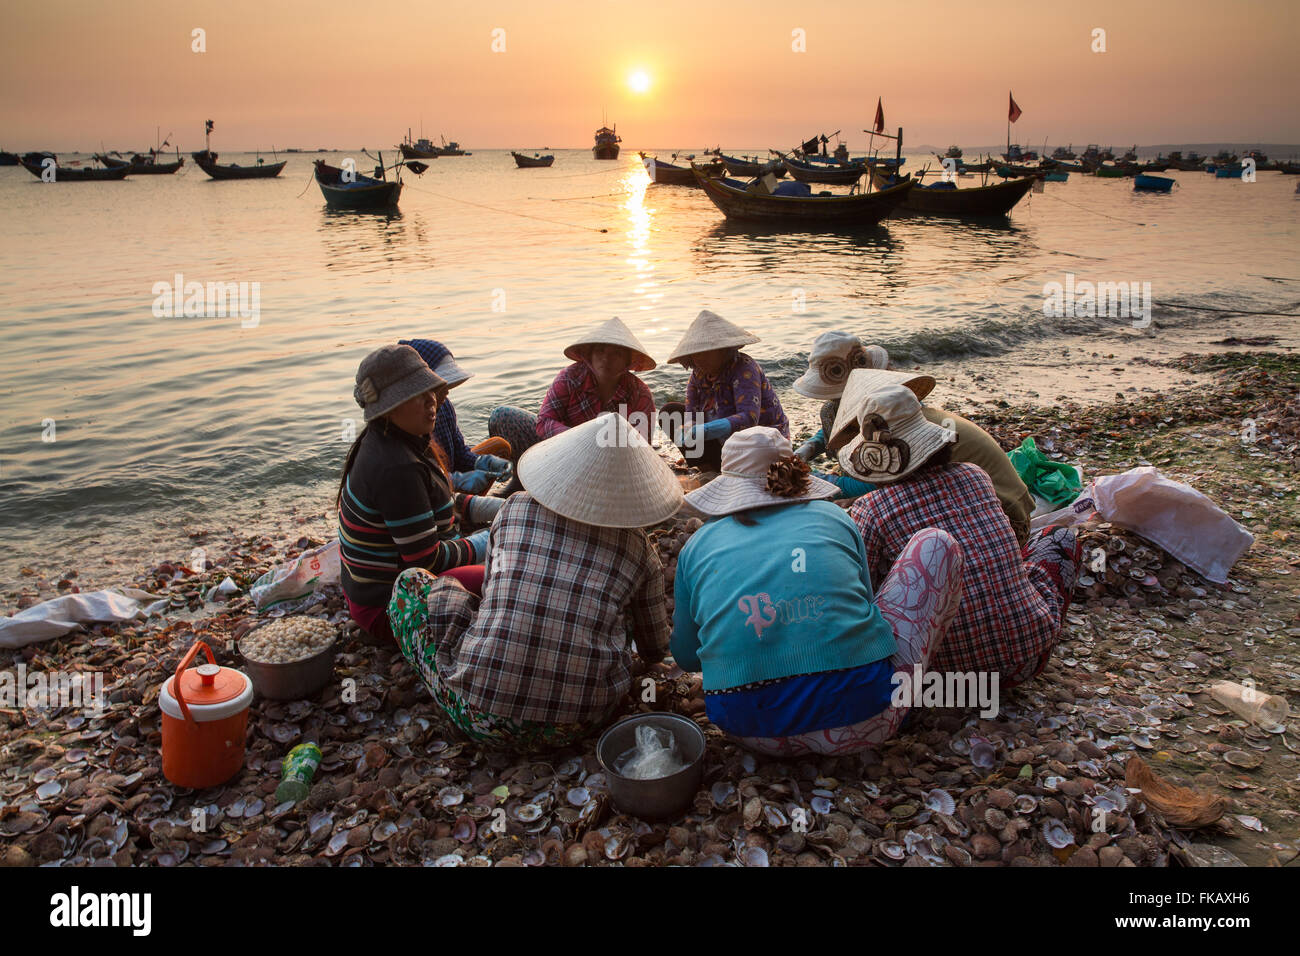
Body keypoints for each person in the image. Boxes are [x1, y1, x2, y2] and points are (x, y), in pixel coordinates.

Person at [389, 413, 682, 750]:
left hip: (479, 716)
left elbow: (492, 599)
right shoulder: (640, 550)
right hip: (583, 720)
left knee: (409, 584)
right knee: (623, 601)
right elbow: (654, 649)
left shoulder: (513, 509)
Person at [670, 427, 965, 757]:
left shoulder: (696, 547)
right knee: (938, 543)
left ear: (728, 485)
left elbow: (686, 656)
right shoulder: (834, 517)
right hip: (867, 721)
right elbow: (866, 608)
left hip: (748, 730)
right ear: (795, 473)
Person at [839, 383, 1080, 689]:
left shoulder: (871, 509)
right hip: (1027, 661)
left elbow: (865, 592)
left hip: (937, 678)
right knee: (1058, 539)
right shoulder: (974, 475)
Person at [338, 345, 503, 646]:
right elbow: (429, 561)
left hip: (368, 594)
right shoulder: (396, 468)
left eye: (430, 389)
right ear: (390, 406)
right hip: (389, 610)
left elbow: (438, 505)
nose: (432, 400)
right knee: (508, 574)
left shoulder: (402, 440)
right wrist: (487, 539)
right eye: (417, 393)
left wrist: (497, 509)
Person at [826, 368, 1037, 546]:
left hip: (1011, 519)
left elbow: (900, 492)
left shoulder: (900, 441)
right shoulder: (930, 427)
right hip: (1009, 514)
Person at [487, 316, 657, 494]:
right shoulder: (569, 378)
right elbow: (544, 421)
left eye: (617, 353)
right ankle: (520, 478)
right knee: (503, 416)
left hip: (609, 466)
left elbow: (642, 451)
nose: (606, 358)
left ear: (628, 362)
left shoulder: (639, 394)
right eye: (600, 351)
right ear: (589, 355)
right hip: (561, 452)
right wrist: (577, 438)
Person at [660, 310, 789, 472]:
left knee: (753, 438)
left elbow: (749, 418)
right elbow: (691, 410)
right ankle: (708, 469)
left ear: (722, 350)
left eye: (705, 352)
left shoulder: (744, 368)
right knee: (670, 412)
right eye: (695, 354)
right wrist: (689, 427)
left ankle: (730, 470)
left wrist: (706, 430)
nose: (699, 359)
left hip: (760, 445)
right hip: (723, 444)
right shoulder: (698, 374)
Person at [399, 338, 513, 495]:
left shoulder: (445, 407)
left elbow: (459, 451)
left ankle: (469, 505)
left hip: (446, 473)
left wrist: (482, 462)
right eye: (442, 386)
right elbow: (417, 480)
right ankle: (463, 510)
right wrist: (457, 480)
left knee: (499, 446)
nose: (447, 391)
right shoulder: (408, 423)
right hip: (427, 489)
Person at [790, 330, 889, 499]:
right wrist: (812, 446)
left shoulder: (888, 412)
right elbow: (840, 427)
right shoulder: (833, 409)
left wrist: (816, 479)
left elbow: (877, 482)